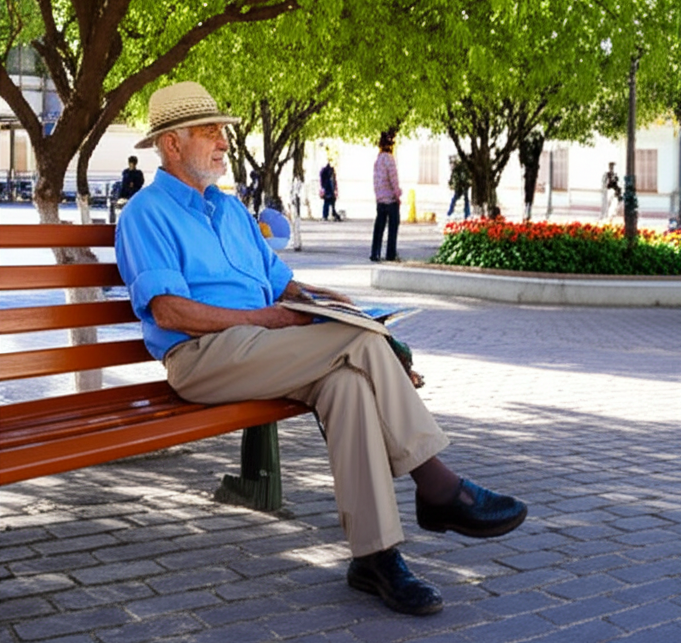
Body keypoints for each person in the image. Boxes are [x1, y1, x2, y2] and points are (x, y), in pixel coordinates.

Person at [116, 83, 527, 618]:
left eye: (224, 130)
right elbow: (169, 311)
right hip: (204, 358)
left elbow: (280, 284)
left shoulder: (232, 210)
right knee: (363, 345)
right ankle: (439, 486)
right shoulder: (146, 214)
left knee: (350, 385)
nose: (224, 142)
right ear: (171, 144)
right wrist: (270, 318)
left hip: (268, 348)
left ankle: (376, 557)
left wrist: (320, 300)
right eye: (209, 131)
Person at [370, 131, 402, 262]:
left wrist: (378, 195)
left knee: (379, 227)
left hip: (380, 199)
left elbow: (376, 180)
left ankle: (375, 252)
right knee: (392, 227)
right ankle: (390, 254)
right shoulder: (389, 159)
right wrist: (397, 193)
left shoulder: (377, 160)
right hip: (391, 199)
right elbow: (393, 179)